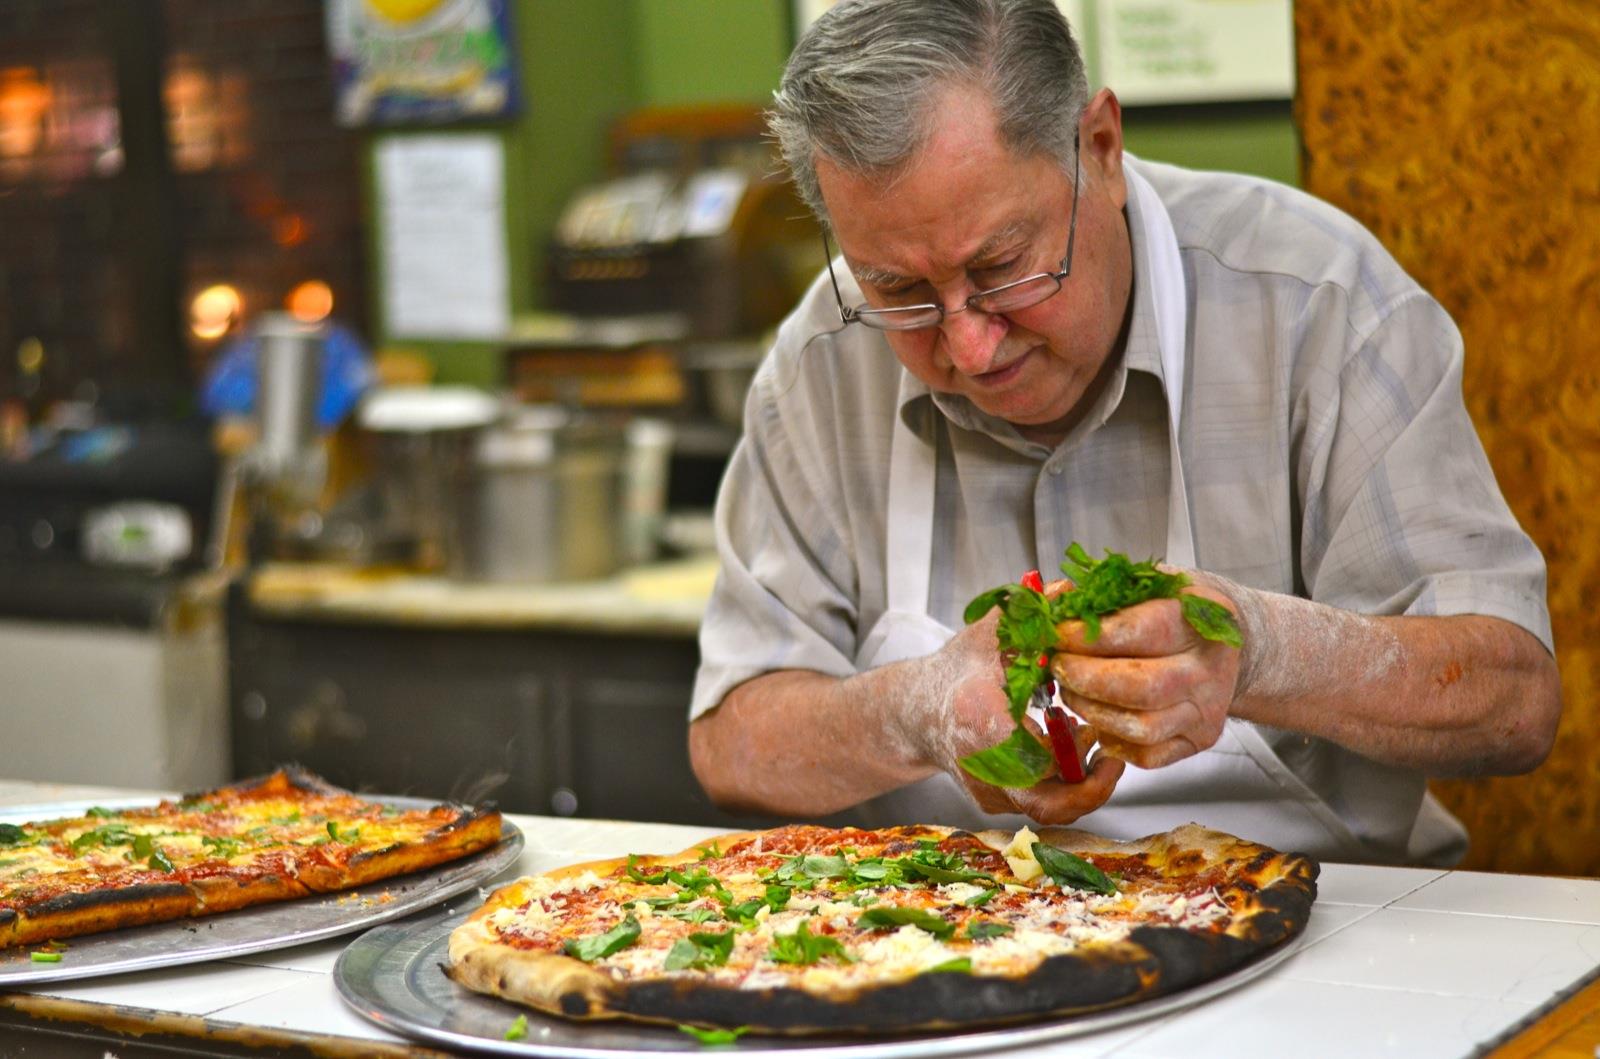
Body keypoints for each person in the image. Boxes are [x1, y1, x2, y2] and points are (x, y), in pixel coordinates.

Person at [686, 0, 1560, 865]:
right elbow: (733, 742)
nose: (969, 343)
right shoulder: (822, 360)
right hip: (950, 945)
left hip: (1333, 935)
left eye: (1000, 267)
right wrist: (914, 711)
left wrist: (1261, 651)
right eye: (899, 292)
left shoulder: (1319, 305)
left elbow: (1515, 700)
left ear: (1098, 149)